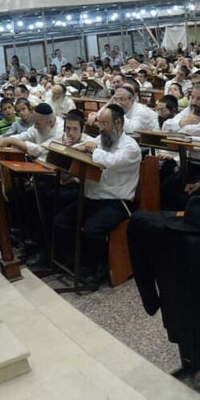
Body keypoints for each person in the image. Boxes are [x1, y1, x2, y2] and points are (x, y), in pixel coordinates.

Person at [52, 104, 142, 283]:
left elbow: (111, 161)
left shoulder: (131, 147)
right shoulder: (102, 139)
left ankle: (101, 267)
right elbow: (86, 146)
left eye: (105, 124)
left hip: (117, 202)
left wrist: (92, 149)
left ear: (118, 123)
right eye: (99, 124)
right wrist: (73, 149)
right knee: (61, 221)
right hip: (92, 198)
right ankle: (77, 261)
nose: (100, 129)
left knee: (92, 230)